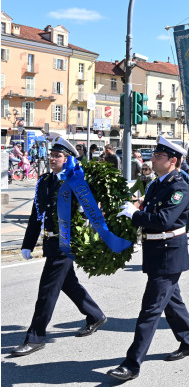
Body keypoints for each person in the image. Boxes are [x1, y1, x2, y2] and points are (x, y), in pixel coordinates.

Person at [109, 136, 189, 381]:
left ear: (172, 161)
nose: (153, 159)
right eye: (154, 155)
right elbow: (150, 211)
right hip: (156, 250)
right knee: (172, 303)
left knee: (149, 311)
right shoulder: (156, 184)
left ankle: (131, 364)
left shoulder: (179, 186)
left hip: (169, 253)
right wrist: (133, 209)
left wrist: (135, 215)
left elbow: (164, 221)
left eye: (159, 157)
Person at [12, 136, 107, 357]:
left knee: (47, 290)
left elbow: (90, 210)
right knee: (68, 284)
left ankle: (35, 337)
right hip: (50, 241)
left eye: (58, 155)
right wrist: (28, 244)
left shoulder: (75, 182)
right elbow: (36, 214)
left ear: (67, 160)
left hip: (66, 243)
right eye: (52, 155)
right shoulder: (44, 180)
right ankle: (95, 315)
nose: (53, 158)